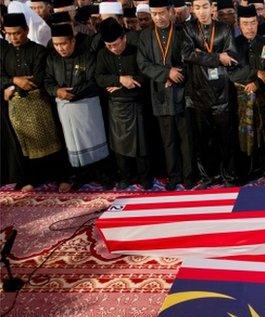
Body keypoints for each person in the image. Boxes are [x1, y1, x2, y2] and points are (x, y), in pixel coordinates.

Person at [1, 13, 70, 192]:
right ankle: (31, 178)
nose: (13, 37)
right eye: (8, 33)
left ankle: (61, 177)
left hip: (38, 103)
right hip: (17, 107)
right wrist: (15, 81)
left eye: (16, 33)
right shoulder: (4, 52)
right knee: (24, 144)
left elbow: (38, 79)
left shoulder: (39, 51)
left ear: (26, 30)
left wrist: (11, 87)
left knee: (50, 140)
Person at [137, 0, 194, 190]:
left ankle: (189, 176)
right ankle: (173, 176)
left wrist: (178, 75)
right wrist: (166, 74)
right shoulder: (145, 35)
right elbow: (142, 63)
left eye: (162, 13)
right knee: (168, 139)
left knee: (186, 138)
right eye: (154, 14)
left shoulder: (182, 31)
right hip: (160, 93)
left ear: (170, 12)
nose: (158, 17)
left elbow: (191, 60)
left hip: (182, 92)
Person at [45, 23, 111, 187]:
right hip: (65, 108)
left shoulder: (87, 55)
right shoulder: (52, 58)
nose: (60, 48)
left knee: (93, 140)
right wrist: (57, 91)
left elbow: (93, 80)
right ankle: (82, 174)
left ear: (72, 41)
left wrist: (71, 93)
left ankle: (102, 174)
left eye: (64, 44)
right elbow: (47, 80)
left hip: (87, 105)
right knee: (74, 142)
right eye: (56, 44)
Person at [182, 0, 238, 186]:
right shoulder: (188, 29)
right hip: (198, 93)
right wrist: (216, 57)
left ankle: (229, 176)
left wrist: (201, 55)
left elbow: (230, 57)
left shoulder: (224, 28)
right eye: (197, 8)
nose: (202, 11)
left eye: (205, 6)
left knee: (226, 139)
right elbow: (187, 54)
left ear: (212, 7)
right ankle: (207, 177)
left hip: (222, 92)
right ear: (192, 9)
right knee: (203, 141)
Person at [96, 18, 152, 189]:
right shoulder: (102, 54)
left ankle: (145, 178)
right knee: (119, 145)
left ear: (124, 38)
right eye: (109, 46)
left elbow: (143, 78)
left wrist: (119, 85)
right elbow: (99, 78)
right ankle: (126, 177)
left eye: (115, 44)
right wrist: (120, 79)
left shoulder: (137, 52)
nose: (112, 49)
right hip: (115, 106)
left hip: (136, 104)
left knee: (141, 145)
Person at [229, 5, 265, 181]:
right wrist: (254, 74)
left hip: (263, 98)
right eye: (246, 23)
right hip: (240, 100)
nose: (250, 27)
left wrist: (257, 83)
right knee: (243, 137)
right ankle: (246, 171)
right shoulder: (234, 44)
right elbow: (231, 71)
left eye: (253, 23)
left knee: (264, 134)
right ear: (239, 24)